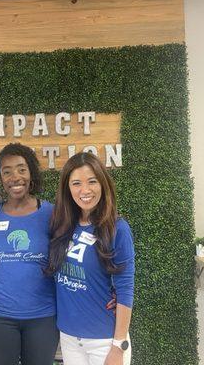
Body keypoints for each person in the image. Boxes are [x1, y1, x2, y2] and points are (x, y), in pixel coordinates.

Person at [46, 152, 135, 365]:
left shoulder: (117, 228)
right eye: (76, 183)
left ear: (103, 184)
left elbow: (125, 289)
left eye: (92, 182)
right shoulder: (61, 226)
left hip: (104, 341)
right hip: (69, 338)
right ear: (67, 188)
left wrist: (118, 346)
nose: (84, 190)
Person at [0, 143, 59, 365]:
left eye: (21, 169)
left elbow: (69, 256)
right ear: (1, 178)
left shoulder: (51, 213)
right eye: (7, 171)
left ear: (31, 173)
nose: (15, 177)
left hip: (42, 317)